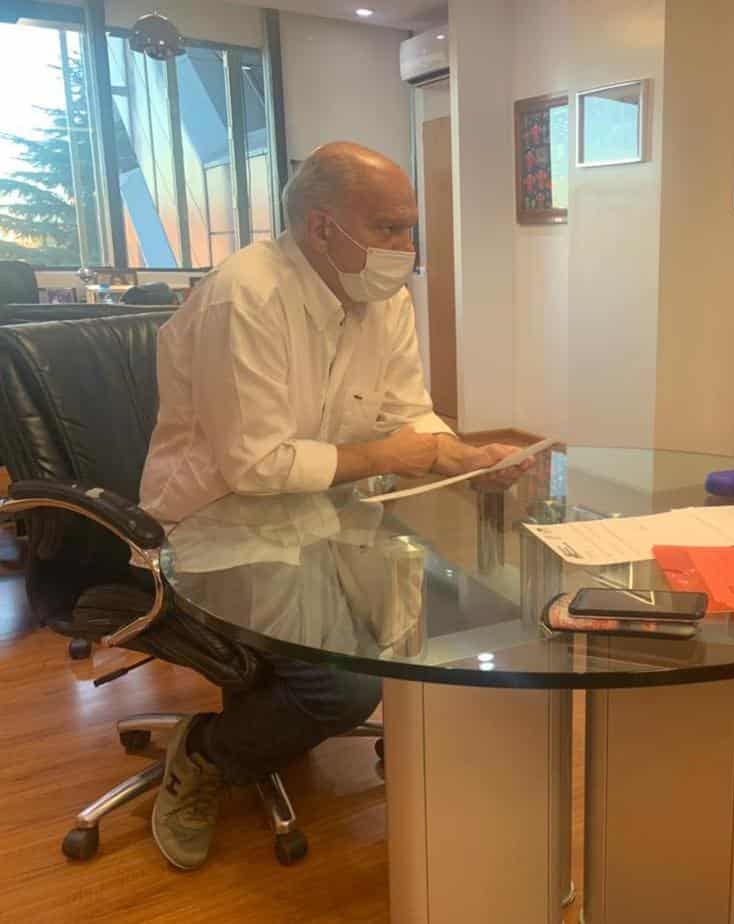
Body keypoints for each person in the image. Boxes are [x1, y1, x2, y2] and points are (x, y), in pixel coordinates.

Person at [138, 141, 527, 870]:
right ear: (321, 227)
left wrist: (465, 460)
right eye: (388, 228)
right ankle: (206, 753)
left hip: (325, 512)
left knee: (453, 614)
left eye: (410, 229)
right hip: (216, 523)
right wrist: (391, 456)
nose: (406, 248)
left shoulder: (383, 300)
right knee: (342, 687)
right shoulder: (245, 296)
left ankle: (395, 741)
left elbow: (408, 414)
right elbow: (256, 466)